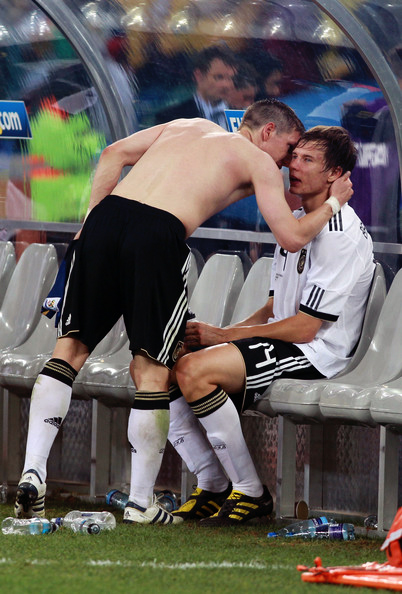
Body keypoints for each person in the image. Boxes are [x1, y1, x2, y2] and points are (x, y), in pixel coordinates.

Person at [15, 100, 353, 526]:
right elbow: (290, 236)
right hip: (156, 234)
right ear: (267, 131)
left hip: (105, 219)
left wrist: (90, 224)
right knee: (153, 370)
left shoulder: (187, 124)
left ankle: (34, 472)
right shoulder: (256, 159)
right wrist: (334, 203)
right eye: (288, 149)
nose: (287, 162)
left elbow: (112, 154)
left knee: (69, 350)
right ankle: (141, 503)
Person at [169, 125, 375, 526]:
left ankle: (251, 492)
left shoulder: (338, 234)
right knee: (165, 364)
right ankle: (212, 483)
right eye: (294, 156)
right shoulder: (298, 219)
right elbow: (275, 305)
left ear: (334, 174)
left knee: (194, 371)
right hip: (290, 340)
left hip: (319, 353)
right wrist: (218, 335)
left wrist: (224, 338)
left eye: (307, 160)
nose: (293, 166)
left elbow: (305, 328)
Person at [155, 45, 238, 129]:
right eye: (219, 77)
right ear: (199, 76)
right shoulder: (171, 118)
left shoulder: (243, 116)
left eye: (231, 78)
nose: (227, 85)